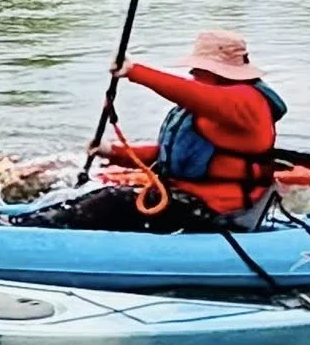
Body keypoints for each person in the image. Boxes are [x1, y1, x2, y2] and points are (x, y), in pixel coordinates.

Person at [16, 30, 287, 233]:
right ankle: (20, 224)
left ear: (220, 71)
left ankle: (25, 234)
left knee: (113, 201)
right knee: (97, 197)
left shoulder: (247, 103)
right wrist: (114, 152)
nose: (193, 71)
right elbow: (169, 155)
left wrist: (135, 71)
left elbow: (192, 93)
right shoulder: (214, 102)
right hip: (183, 198)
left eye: (200, 67)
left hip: (219, 210)